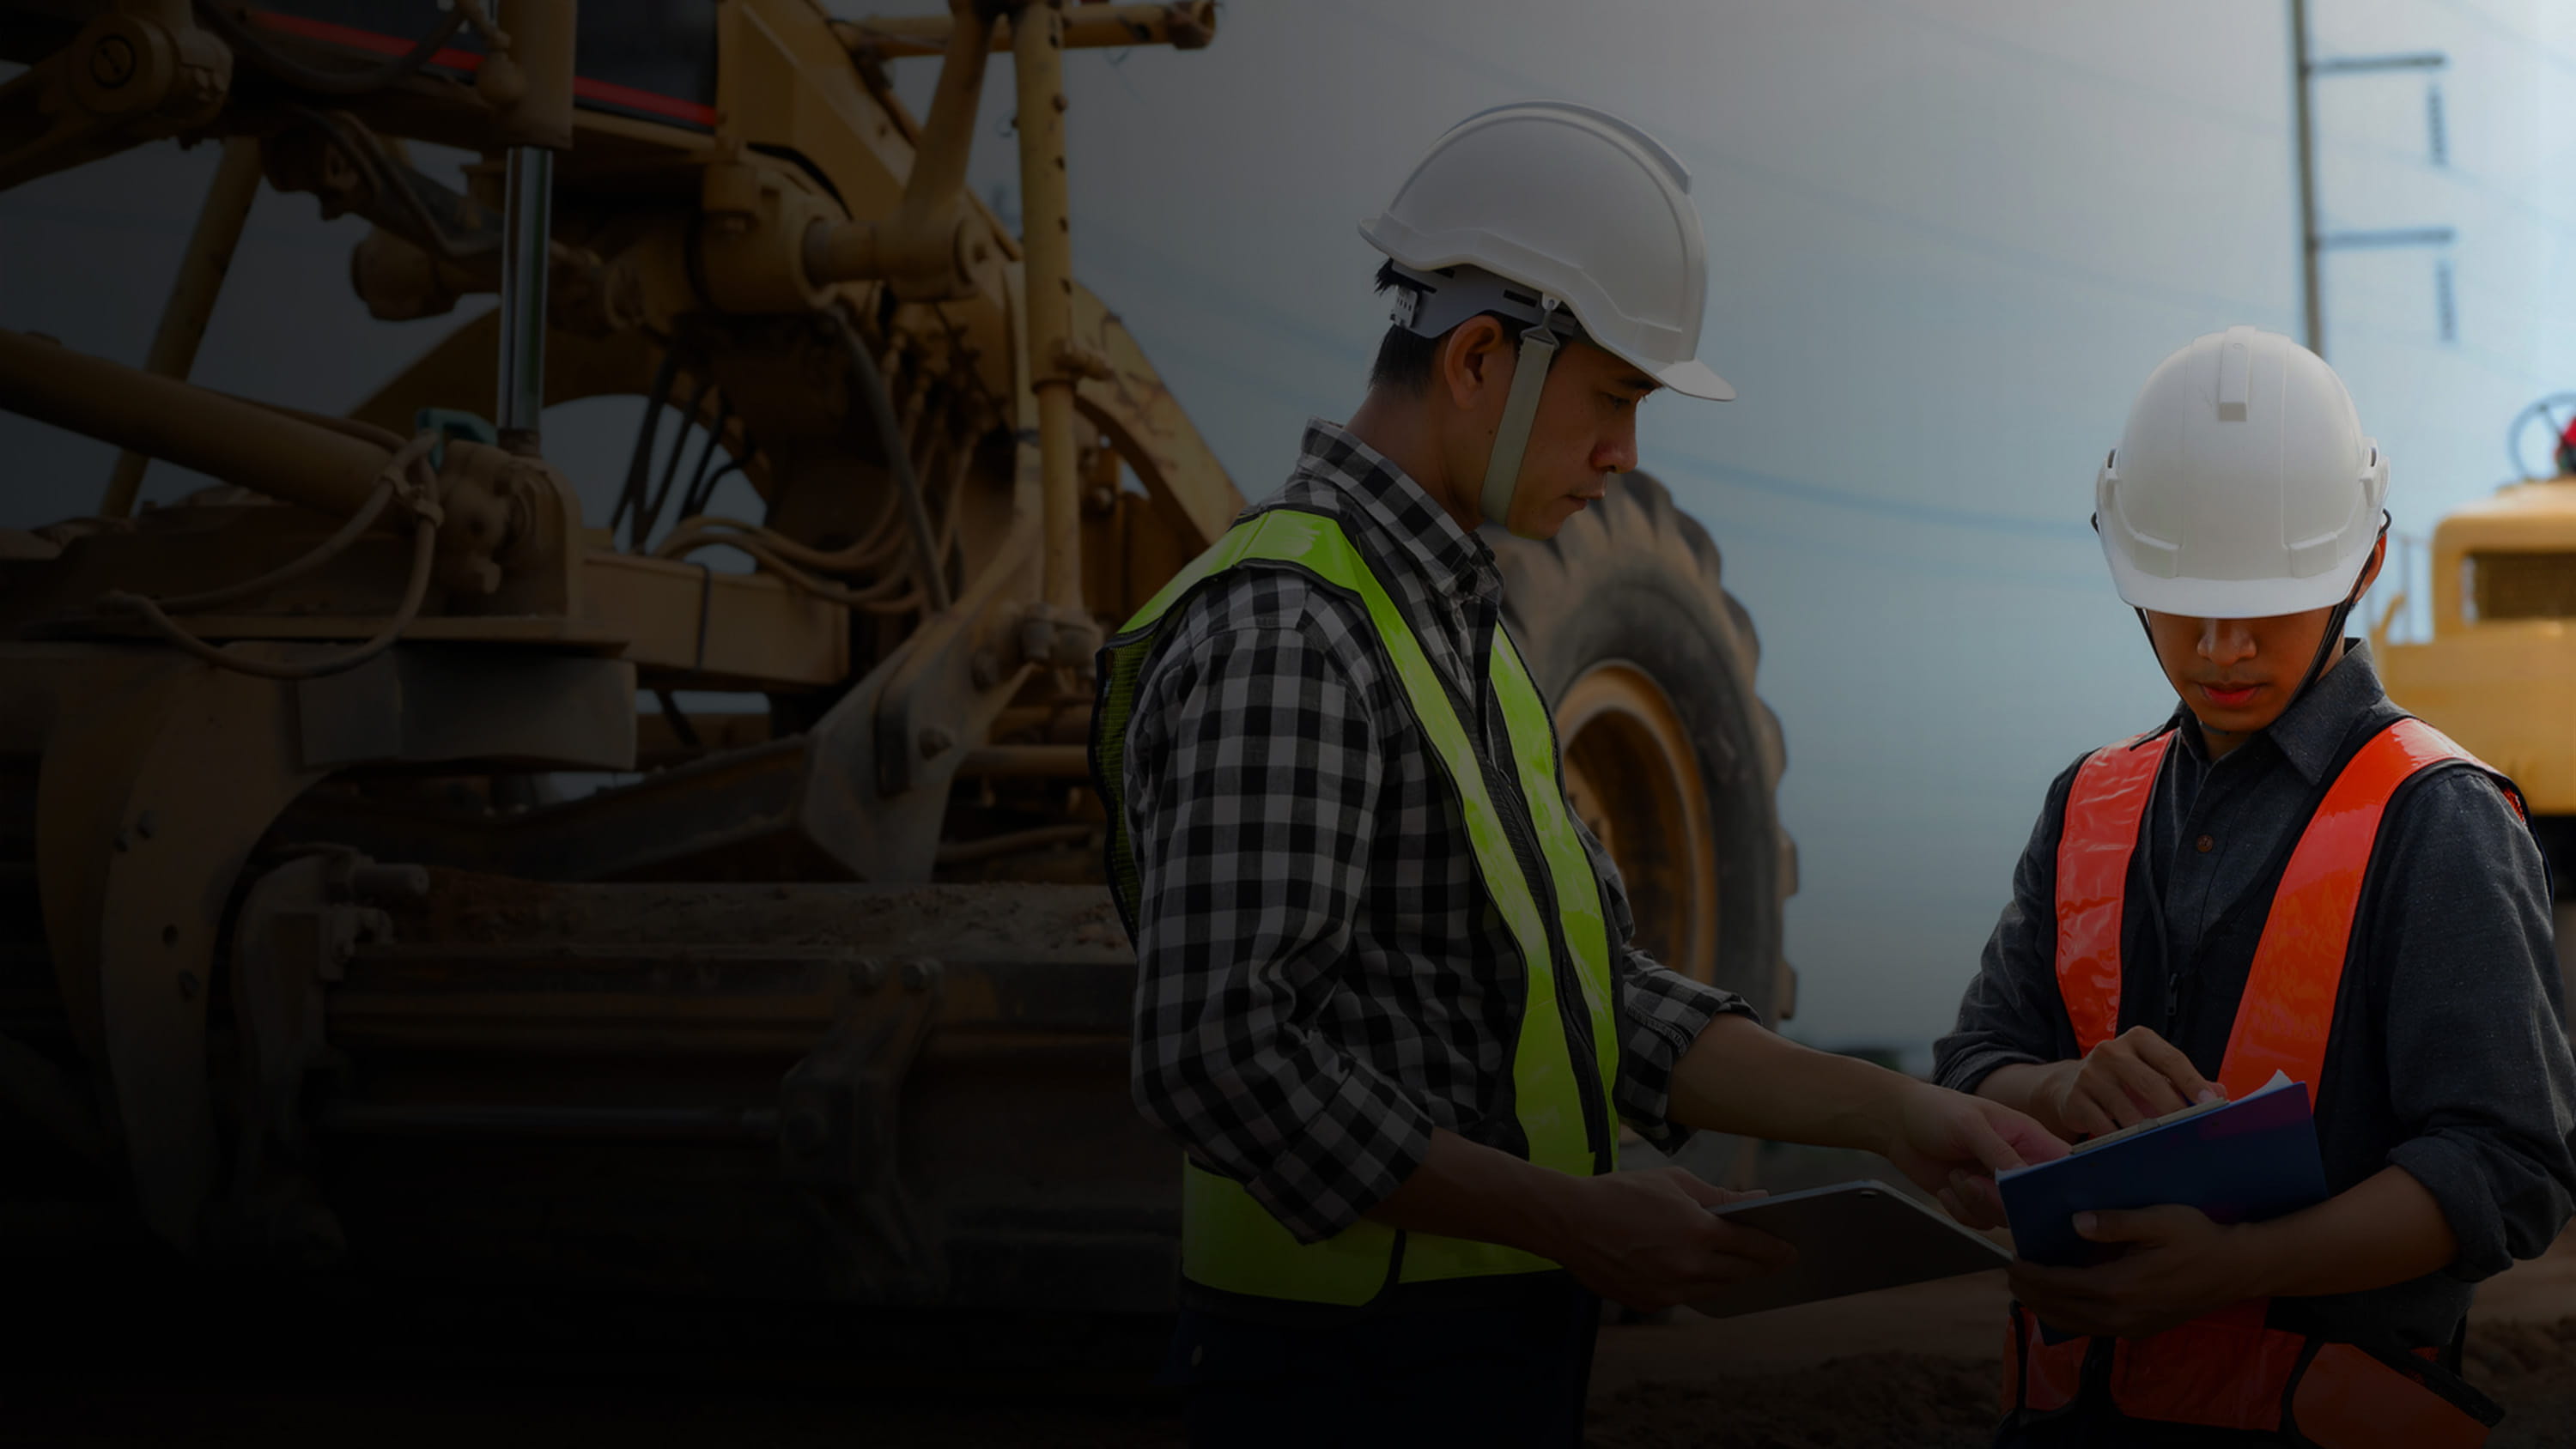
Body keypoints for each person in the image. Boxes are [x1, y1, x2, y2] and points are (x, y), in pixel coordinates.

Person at [1091, 100, 2064, 1448]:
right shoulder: (1291, 631)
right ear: (1482, 357)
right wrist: (1571, 1217)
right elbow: (1217, 1055)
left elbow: (1592, 999)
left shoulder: (1457, 627)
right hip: (1327, 1379)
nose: (1626, 455)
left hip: (1471, 1360)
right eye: (1613, 400)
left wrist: (1901, 1115)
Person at [1935, 325, 2576, 1447]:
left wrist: (2235, 1270)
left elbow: (2507, 1166)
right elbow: (1975, 1062)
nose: (2223, 645)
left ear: (2366, 566)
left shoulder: (2440, 821)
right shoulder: (2088, 804)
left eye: (2270, 600)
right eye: (2185, 599)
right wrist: (2057, 1092)